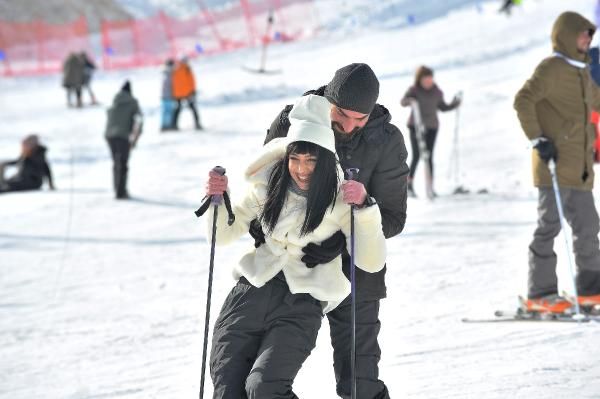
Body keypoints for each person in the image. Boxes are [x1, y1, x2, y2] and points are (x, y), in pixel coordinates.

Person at [204, 94, 387, 398]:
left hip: (301, 302)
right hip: (250, 293)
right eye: (295, 159)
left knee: (264, 389)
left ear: (326, 159)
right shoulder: (266, 188)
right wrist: (217, 201)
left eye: (312, 160)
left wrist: (365, 209)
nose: (302, 170)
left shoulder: (341, 201)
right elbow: (222, 235)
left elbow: (370, 262)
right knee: (227, 389)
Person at [261, 63, 408, 399]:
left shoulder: (386, 140)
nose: (350, 126)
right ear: (328, 99)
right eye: (342, 115)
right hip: (294, 268)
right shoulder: (292, 122)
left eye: (361, 118)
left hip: (356, 272)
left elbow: (394, 217)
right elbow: (263, 190)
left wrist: (342, 240)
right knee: (266, 378)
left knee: (358, 383)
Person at [514, 11, 600, 313]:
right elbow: (523, 99)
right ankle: (541, 292)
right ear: (565, 35)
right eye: (582, 35)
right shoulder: (552, 68)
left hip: (580, 170)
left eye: (590, 35)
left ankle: (591, 290)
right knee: (548, 227)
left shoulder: (583, 72)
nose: (588, 40)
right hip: (554, 165)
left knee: (589, 227)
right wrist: (538, 138)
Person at [400, 65, 461, 197]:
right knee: (417, 155)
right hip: (415, 126)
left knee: (429, 156)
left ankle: (430, 187)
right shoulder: (414, 90)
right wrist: (411, 101)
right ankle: (409, 185)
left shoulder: (436, 92)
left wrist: (455, 104)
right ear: (420, 80)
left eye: (430, 79)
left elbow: (443, 107)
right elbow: (403, 102)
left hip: (432, 127)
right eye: (425, 79)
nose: (428, 81)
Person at [104, 80, 143, 200]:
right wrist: (135, 139)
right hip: (122, 136)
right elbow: (139, 120)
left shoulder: (114, 101)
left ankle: (117, 189)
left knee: (116, 163)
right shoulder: (133, 102)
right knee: (123, 163)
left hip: (109, 135)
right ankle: (121, 192)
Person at [172, 56, 202, 130]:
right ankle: (197, 124)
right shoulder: (187, 68)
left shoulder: (175, 68)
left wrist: (174, 93)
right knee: (193, 108)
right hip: (187, 92)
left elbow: (174, 82)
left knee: (177, 109)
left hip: (178, 93)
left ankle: (174, 125)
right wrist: (193, 91)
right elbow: (191, 81)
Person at [160, 58, 176, 132]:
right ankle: (165, 126)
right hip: (167, 96)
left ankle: (166, 125)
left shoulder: (166, 73)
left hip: (166, 96)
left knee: (167, 112)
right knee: (167, 112)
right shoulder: (168, 74)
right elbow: (169, 86)